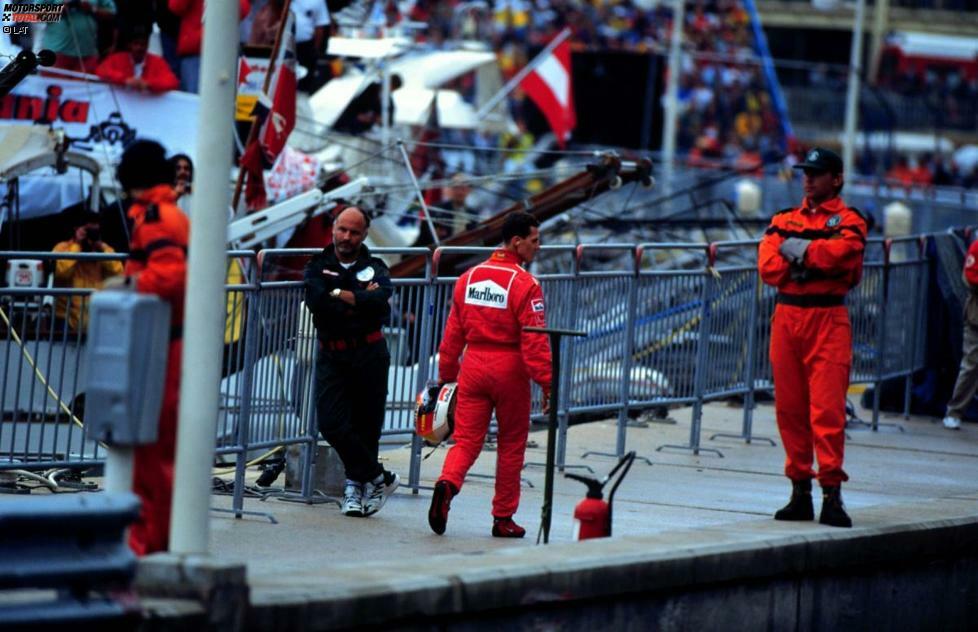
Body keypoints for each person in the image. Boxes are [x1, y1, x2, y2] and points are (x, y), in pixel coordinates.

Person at [758, 147, 868, 529]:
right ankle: (800, 491)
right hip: (788, 316)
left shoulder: (850, 220)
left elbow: (846, 254)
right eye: (806, 172)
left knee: (827, 410)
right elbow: (768, 266)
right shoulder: (783, 218)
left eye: (816, 173)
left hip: (827, 317)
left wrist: (799, 253)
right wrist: (812, 259)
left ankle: (831, 495)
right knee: (790, 409)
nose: (807, 178)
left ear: (835, 178)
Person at [428, 211, 552, 538]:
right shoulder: (525, 284)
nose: (538, 247)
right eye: (535, 240)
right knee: (511, 445)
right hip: (509, 369)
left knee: (466, 441)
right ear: (517, 242)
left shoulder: (468, 277)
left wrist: (446, 376)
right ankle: (502, 518)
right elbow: (535, 341)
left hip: (473, 365)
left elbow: (452, 335)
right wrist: (548, 384)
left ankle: (446, 484)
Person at [113, 139, 189, 555]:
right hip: (168, 342)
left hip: (163, 345)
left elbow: (169, 277)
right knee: (157, 449)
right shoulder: (168, 214)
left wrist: (125, 285)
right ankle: (153, 538)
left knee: (152, 450)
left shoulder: (156, 219)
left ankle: (148, 543)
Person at [303, 206, 400, 517]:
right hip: (332, 353)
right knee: (331, 423)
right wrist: (354, 296)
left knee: (367, 426)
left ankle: (355, 490)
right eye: (342, 229)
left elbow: (380, 300)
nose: (346, 237)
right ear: (334, 228)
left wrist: (342, 296)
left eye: (354, 232)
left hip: (370, 352)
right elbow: (317, 299)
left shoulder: (376, 266)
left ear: (364, 234)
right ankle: (379, 478)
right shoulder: (318, 264)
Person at [51, 216, 125, 333]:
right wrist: (77, 245)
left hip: (96, 316)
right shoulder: (63, 247)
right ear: (77, 229)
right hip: (66, 317)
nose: (91, 234)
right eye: (88, 230)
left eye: (95, 231)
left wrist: (100, 248)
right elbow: (61, 272)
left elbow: (119, 272)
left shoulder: (104, 250)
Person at [942, 238, 978, 430]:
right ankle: (954, 411)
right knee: (971, 365)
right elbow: (969, 277)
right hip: (976, 316)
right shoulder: (977, 246)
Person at [96, 26, 180, 93]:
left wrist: (149, 84)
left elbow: (172, 81)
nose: (139, 47)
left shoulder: (157, 62)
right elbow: (101, 70)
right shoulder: (117, 58)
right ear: (129, 45)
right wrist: (125, 80)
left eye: (143, 44)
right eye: (136, 44)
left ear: (147, 45)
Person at [41, 0, 117, 73]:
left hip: (88, 54)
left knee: (84, 86)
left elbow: (112, 12)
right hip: (56, 53)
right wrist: (60, 9)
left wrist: (93, 9)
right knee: (55, 85)